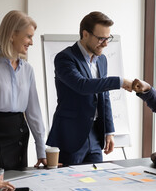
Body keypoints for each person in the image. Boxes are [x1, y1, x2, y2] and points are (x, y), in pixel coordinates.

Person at [46, 11, 133, 165]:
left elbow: (104, 96)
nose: (106, 44)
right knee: (68, 185)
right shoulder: (65, 58)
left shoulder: (102, 60)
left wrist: (109, 131)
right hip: (71, 136)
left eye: (108, 38)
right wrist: (120, 82)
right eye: (101, 39)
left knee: (96, 183)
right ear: (85, 34)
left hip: (95, 135)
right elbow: (82, 85)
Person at [0, 10, 47, 170]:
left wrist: (41, 149)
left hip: (19, 134)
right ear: (12, 35)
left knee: (19, 185)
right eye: (28, 36)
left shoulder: (28, 70)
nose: (31, 42)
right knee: (0, 189)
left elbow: (34, 113)